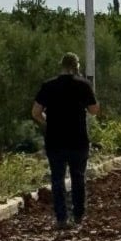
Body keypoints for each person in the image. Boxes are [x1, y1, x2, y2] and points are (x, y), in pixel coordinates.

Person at [31, 52, 100, 230]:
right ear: (77, 66)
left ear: (61, 65)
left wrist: (48, 122)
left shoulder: (48, 86)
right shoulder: (83, 85)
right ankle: (78, 215)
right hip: (78, 139)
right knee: (78, 177)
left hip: (55, 140)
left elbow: (35, 112)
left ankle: (61, 218)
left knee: (57, 179)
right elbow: (94, 110)